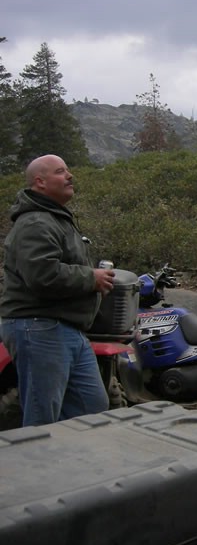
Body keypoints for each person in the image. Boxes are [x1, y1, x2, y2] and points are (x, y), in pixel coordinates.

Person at [0, 155, 113, 426]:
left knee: (93, 408)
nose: (70, 176)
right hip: (39, 327)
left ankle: (75, 467)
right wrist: (91, 278)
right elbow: (42, 276)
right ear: (40, 181)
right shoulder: (36, 223)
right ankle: (36, 468)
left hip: (67, 329)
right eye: (61, 172)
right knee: (42, 418)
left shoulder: (55, 219)